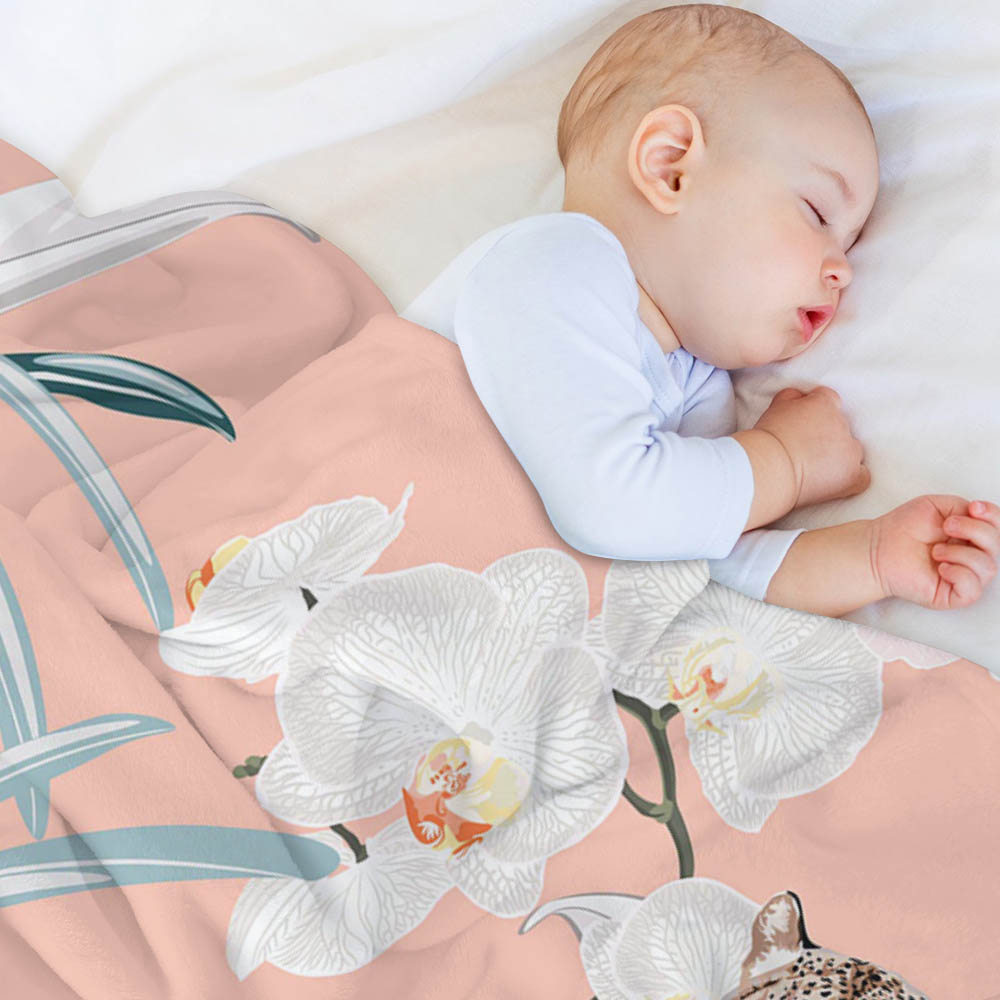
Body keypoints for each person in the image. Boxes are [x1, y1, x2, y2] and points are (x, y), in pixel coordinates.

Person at [402, 3, 998, 618]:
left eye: (848, 245)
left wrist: (873, 557)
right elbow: (611, 505)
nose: (842, 270)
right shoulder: (550, 263)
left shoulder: (694, 381)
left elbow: (699, 556)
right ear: (671, 167)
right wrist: (785, 462)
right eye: (818, 213)